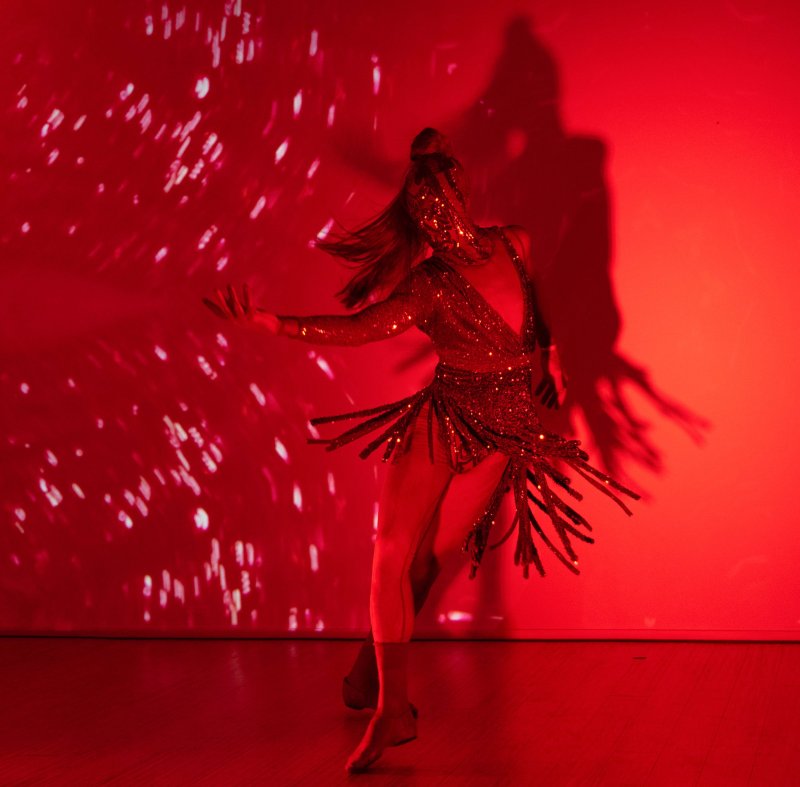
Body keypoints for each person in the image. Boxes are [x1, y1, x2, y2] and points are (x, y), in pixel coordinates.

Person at [203, 127, 639, 773]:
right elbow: (356, 330)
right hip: (445, 413)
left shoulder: (515, 242)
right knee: (389, 553)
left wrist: (548, 351)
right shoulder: (429, 285)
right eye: (428, 211)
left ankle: (364, 675)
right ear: (421, 222)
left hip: (506, 424)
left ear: (461, 197)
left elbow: (543, 302)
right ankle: (393, 708)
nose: (441, 219)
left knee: (424, 566)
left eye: (446, 200)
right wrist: (274, 323)